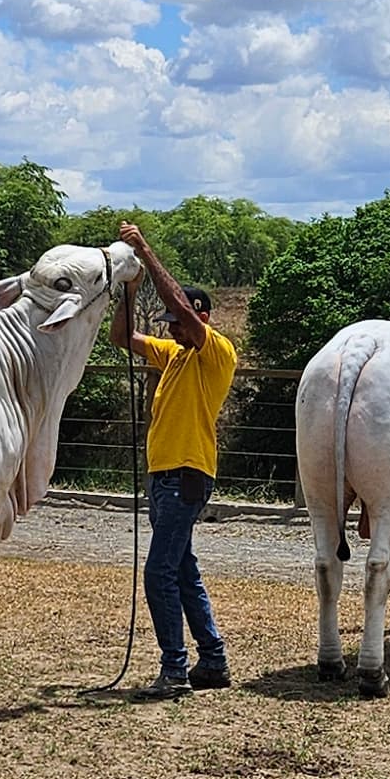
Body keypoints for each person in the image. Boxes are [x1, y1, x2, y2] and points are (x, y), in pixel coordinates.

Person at [113, 222, 236, 698]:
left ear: (200, 318)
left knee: (158, 571)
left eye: (178, 322)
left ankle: (174, 669)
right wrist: (130, 287)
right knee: (182, 569)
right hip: (164, 477)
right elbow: (123, 337)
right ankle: (213, 660)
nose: (171, 329)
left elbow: (181, 308)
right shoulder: (174, 355)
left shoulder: (216, 352)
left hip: (186, 475)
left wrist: (145, 248)